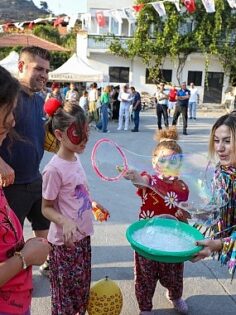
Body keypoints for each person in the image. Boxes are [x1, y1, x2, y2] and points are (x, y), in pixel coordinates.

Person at [41, 102, 109, 315]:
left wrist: (93, 204)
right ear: (60, 135)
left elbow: (78, 192)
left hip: (82, 238)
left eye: (87, 132)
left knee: (80, 293)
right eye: (78, 133)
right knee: (65, 300)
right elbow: (46, 207)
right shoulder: (53, 170)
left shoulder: (75, 158)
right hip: (64, 245)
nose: (85, 139)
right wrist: (65, 221)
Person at [0, 66, 51, 315]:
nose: (13, 122)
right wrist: (24, 259)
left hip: (17, 303)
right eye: (7, 113)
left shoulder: (40, 101)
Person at [124, 127, 190, 315]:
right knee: (145, 276)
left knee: (174, 274)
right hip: (147, 240)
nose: (168, 164)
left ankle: (175, 296)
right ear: (154, 161)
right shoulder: (150, 180)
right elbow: (139, 181)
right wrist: (134, 176)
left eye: (174, 160)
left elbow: (184, 213)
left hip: (171, 241)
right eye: (163, 159)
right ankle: (145, 307)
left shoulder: (182, 187)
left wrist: (187, 235)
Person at [192, 113, 236, 280]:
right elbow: (217, 207)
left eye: (227, 141)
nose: (219, 148)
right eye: (216, 140)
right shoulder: (222, 172)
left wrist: (219, 245)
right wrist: (191, 214)